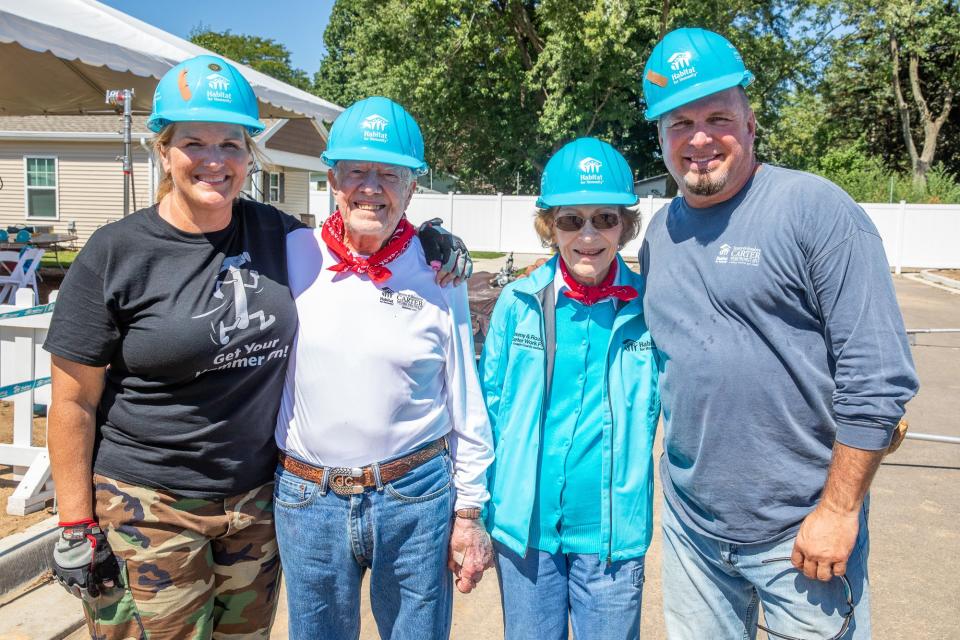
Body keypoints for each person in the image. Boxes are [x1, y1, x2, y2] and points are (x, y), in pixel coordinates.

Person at [43, 57, 471, 639]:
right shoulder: (116, 253)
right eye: (194, 142)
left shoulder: (276, 234)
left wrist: (429, 240)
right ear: (164, 151)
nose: (214, 160)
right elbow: (72, 402)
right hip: (151, 504)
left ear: (250, 157)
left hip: (252, 505)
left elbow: (364, 227)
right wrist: (74, 523)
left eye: (232, 144)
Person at [638, 28, 919, 639]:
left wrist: (840, 510)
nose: (701, 138)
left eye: (718, 116)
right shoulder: (659, 236)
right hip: (694, 535)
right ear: (660, 136)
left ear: (751, 122)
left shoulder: (815, 211)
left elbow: (878, 376)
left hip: (803, 533)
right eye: (679, 123)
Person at [273, 96, 495, 640]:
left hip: (413, 499)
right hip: (308, 499)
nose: (371, 187)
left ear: (413, 187)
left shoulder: (439, 271)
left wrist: (468, 513)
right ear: (332, 179)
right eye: (356, 172)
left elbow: (464, 395)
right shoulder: (290, 253)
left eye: (389, 174)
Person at [480, 137, 660, 640]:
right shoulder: (517, 303)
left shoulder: (650, 307)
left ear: (624, 226)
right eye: (570, 219)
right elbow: (487, 410)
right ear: (549, 227)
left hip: (611, 535)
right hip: (526, 530)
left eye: (604, 218)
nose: (588, 234)